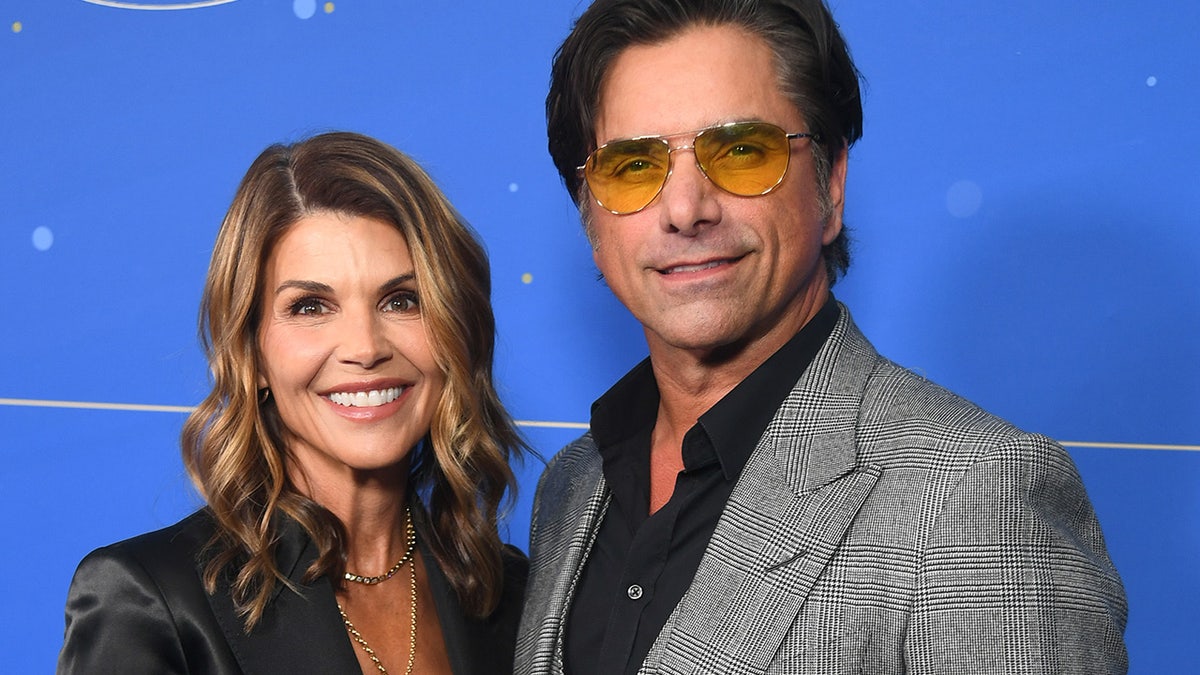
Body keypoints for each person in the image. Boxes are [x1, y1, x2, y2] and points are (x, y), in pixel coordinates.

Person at [516, 1, 1128, 673]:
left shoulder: (974, 496)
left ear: (830, 186)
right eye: (633, 166)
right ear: (591, 216)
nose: (687, 209)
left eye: (742, 151)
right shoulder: (572, 489)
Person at [59, 131, 527, 674]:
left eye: (402, 300)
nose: (366, 347)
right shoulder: (150, 600)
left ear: (455, 333)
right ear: (250, 353)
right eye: (309, 307)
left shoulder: (519, 598)